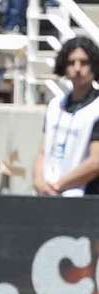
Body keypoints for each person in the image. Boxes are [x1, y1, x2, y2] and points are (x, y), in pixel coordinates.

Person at [33, 36, 99, 197]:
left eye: (84, 62)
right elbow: (42, 152)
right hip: (47, 195)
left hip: (82, 198)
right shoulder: (55, 105)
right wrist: (39, 183)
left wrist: (58, 186)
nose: (77, 68)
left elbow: (96, 162)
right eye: (71, 62)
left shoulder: (96, 108)